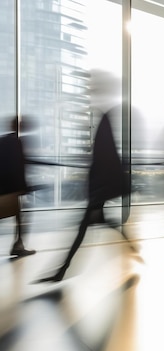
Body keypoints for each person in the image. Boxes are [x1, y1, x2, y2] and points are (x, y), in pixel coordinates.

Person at [38, 71, 131, 282]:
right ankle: (62, 270)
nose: (88, 89)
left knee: (82, 228)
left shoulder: (106, 116)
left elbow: (106, 158)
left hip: (99, 188)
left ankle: (61, 271)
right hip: (100, 187)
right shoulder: (103, 115)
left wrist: (97, 191)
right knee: (96, 224)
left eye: (92, 86)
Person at [0, 117, 36, 257]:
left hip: (5, 189)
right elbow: (18, 167)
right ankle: (18, 246)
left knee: (19, 216)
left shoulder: (3, 141)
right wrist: (23, 187)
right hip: (10, 190)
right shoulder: (16, 142)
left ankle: (19, 244)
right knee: (20, 217)